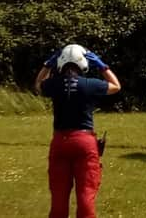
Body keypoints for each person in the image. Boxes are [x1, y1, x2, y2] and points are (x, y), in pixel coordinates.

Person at [35, 44, 121, 218]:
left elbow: (38, 85)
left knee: (58, 197)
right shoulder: (90, 84)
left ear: (60, 63)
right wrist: (102, 65)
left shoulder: (53, 85)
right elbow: (116, 86)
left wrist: (47, 65)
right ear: (84, 63)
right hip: (85, 141)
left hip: (60, 141)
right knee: (86, 194)